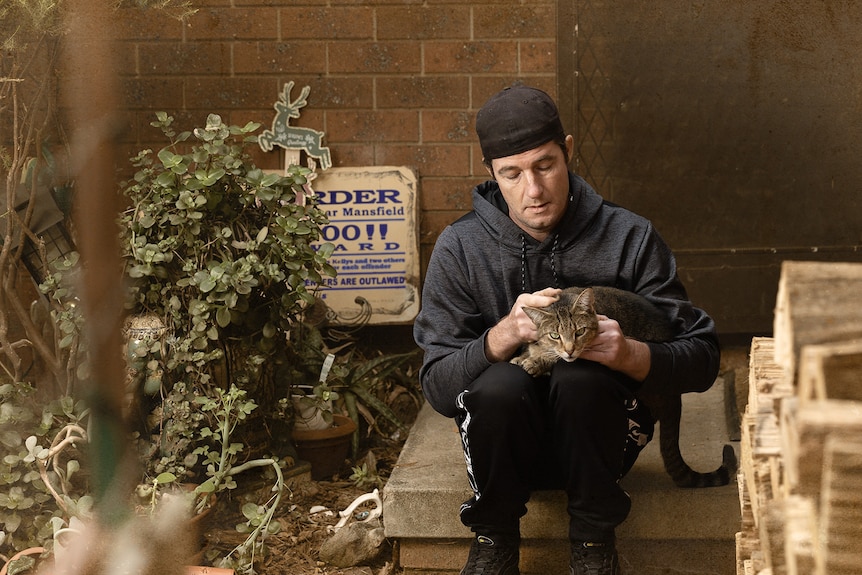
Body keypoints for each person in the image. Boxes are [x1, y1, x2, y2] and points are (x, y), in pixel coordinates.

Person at [412, 85, 720, 575]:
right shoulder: (460, 249)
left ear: (569, 151)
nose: (533, 190)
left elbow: (703, 360)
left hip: (606, 447)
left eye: (545, 166)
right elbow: (439, 389)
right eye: (512, 174)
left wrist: (631, 355)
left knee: (581, 377)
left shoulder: (629, 236)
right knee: (501, 383)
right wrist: (502, 336)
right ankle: (494, 540)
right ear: (491, 172)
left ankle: (595, 547)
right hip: (503, 454)